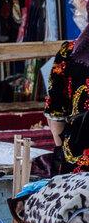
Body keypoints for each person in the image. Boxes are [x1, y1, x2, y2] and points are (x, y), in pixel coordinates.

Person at [44, 29, 89, 173]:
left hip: (78, 162)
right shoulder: (67, 53)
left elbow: (55, 114)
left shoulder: (67, 53)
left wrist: (61, 153)